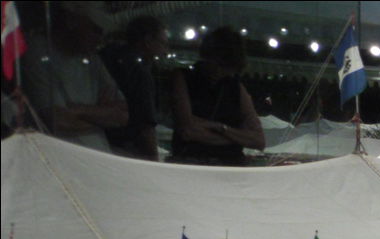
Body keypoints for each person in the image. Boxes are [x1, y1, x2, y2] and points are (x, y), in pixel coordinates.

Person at [20, 1, 128, 153]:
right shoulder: (37, 52)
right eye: (96, 30)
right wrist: (102, 115)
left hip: (95, 156)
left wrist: (80, 111)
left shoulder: (92, 59)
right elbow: (56, 121)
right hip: (60, 158)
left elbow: (123, 115)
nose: (101, 39)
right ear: (71, 22)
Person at [169, 27, 265, 165]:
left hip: (228, 168)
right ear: (208, 55)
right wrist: (235, 137)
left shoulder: (235, 88)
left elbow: (259, 140)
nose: (218, 70)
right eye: (216, 62)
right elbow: (187, 130)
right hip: (193, 166)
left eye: (225, 66)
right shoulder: (183, 78)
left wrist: (217, 127)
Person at [99, 14, 169, 160]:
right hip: (126, 150)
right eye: (163, 43)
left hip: (101, 142)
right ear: (148, 41)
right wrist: (154, 161)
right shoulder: (139, 72)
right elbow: (145, 126)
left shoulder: (106, 57)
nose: (165, 51)